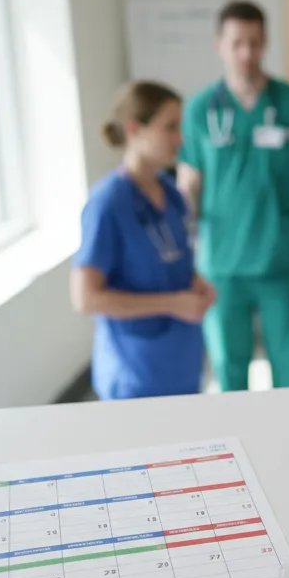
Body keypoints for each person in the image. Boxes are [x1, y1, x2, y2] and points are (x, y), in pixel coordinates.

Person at [177, 0, 289, 391]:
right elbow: (187, 189)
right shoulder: (199, 111)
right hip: (221, 266)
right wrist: (185, 257)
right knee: (230, 369)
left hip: (281, 257)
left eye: (255, 42)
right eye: (237, 43)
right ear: (220, 45)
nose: (246, 53)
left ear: (265, 44)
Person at [71, 81, 214, 400]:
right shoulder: (108, 204)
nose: (180, 139)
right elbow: (85, 298)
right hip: (135, 377)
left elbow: (169, 259)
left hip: (181, 367)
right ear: (135, 129)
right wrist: (173, 304)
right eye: (170, 127)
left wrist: (197, 281)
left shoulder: (172, 195)